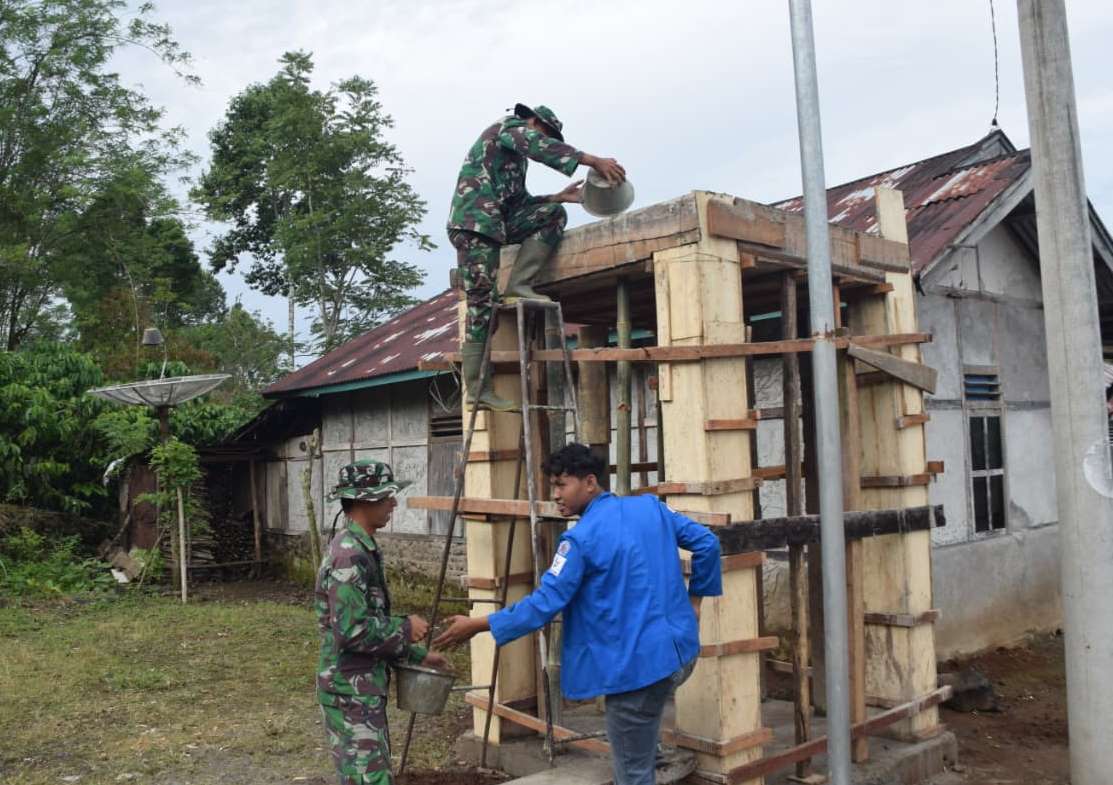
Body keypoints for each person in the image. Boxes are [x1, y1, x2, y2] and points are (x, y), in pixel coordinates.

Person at [434, 443, 722, 785]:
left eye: (562, 484)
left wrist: (478, 624)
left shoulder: (579, 541)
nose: (555, 494)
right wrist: (695, 603)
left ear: (590, 482)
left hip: (638, 670)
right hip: (680, 651)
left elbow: (543, 604)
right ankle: (645, 750)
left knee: (633, 774)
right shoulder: (650, 508)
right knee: (642, 733)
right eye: (552, 486)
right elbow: (708, 543)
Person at [447, 102, 626, 411]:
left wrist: (558, 197)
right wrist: (593, 160)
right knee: (482, 303)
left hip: (497, 224)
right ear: (532, 121)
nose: (546, 139)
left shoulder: (514, 160)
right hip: (475, 225)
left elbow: (518, 203)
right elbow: (537, 145)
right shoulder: (509, 128)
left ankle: (519, 284)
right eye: (545, 132)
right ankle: (477, 389)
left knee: (553, 214)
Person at [315, 459, 448, 785]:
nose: (393, 503)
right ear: (364, 500)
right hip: (350, 691)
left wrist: (416, 654)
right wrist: (405, 628)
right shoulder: (348, 556)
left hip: (360, 688)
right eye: (387, 496)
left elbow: (368, 622)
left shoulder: (362, 548)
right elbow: (351, 631)